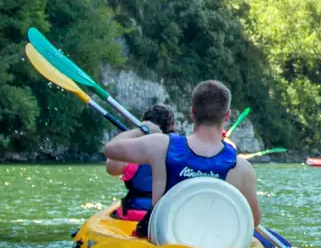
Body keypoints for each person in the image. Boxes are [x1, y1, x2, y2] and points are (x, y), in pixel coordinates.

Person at [103, 81, 260, 236]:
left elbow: (110, 150)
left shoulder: (160, 145)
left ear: (192, 113)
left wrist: (143, 129)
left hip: (163, 244)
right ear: (227, 116)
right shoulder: (241, 168)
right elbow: (253, 221)